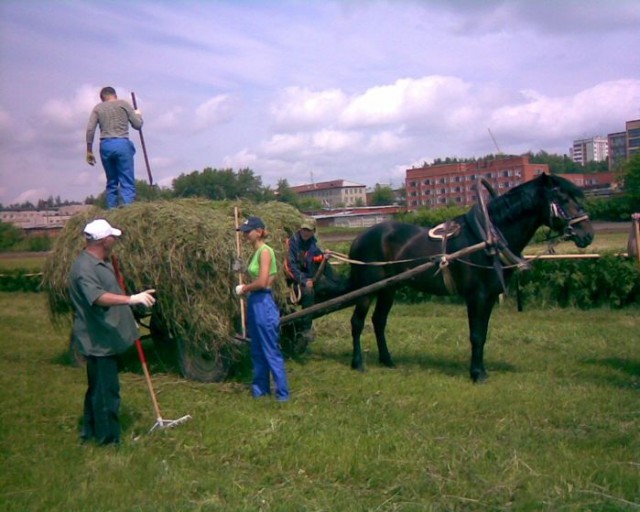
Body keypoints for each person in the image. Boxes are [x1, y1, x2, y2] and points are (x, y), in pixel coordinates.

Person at [69, 218, 156, 445]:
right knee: (107, 392)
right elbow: (97, 297)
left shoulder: (101, 261)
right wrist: (131, 299)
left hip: (104, 335)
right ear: (105, 240)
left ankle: (90, 432)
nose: (115, 240)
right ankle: (108, 441)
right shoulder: (84, 268)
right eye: (112, 237)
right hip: (98, 339)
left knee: (97, 389)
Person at [235, 216, 289, 402]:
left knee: (270, 350)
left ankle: (282, 394)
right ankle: (260, 390)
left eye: (247, 232)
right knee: (257, 349)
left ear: (259, 232)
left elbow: (263, 281)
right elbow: (256, 275)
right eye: (243, 232)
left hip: (263, 303)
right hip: (255, 303)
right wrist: (241, 269)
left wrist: (245, 288)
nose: (244, 235)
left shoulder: (265, 252)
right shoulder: (255, 253)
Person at [85, 86, 143, 209]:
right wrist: (138, 115)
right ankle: (127, 211)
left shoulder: (98, 108)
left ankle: (112, 212)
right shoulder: (124, 104)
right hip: (122, 143)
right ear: (115, 95)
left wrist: (89, 150)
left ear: (102, 98)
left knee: (111, 182)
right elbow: (137, 125)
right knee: (126, 181)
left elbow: (90, 129)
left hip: (105, 145)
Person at [284, 217, 333, 345]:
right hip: (292, 280)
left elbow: (313, 259)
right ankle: (305, 328)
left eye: (308, 230)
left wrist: (323, 257)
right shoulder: (292, 243)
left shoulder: (313, 244)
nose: (305, 232)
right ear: (300, 229)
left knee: (326, 287)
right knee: (308, 292)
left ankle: (309, 316)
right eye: (303, 229)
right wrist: (304, 280)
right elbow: (290, 267)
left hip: (307, 279)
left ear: (313, 231)